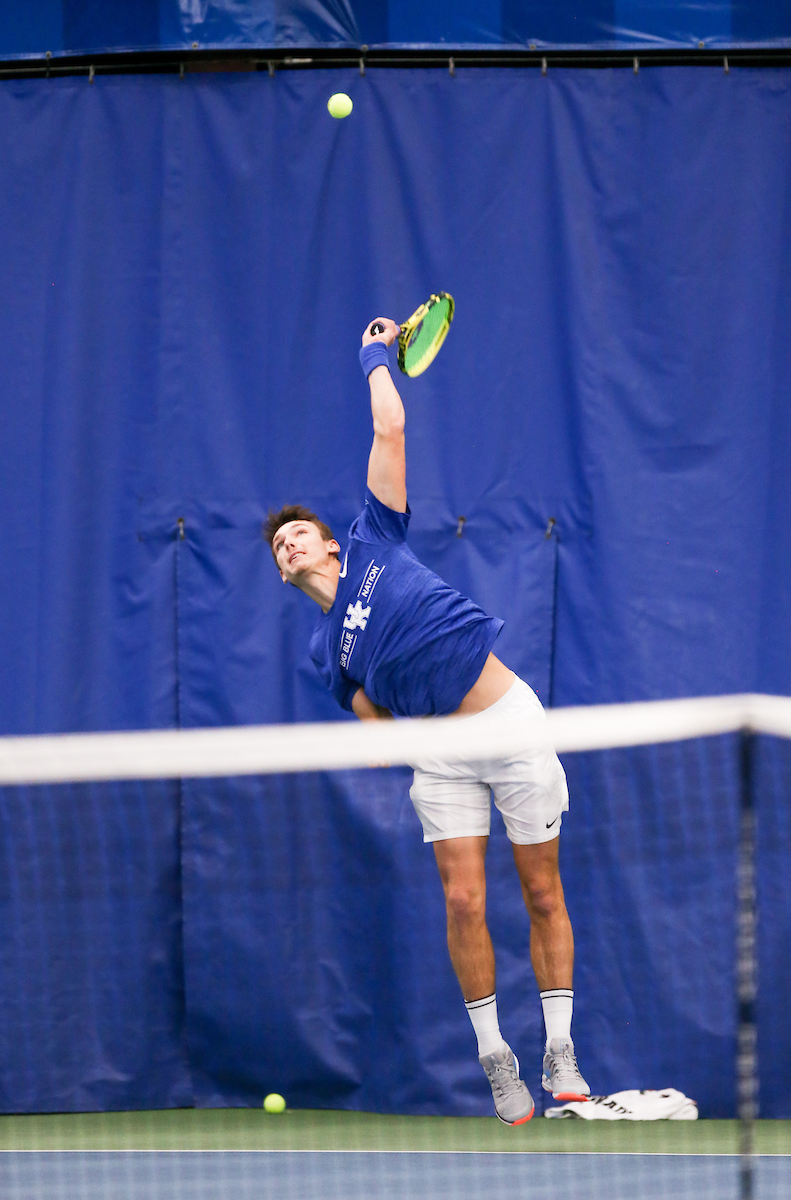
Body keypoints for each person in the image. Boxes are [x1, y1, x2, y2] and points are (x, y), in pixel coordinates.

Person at [263, 317, 589, 1124]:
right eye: (276, 550)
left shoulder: (376, 536)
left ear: (331, 544)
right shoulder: (326, 655)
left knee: (542, 893)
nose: (287, 546)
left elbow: (391, 424)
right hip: (440, 760)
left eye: (296, 534)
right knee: (464, 904)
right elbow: (378, 726)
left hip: (508, 722)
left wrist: (375, 355)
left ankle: (561, 1050)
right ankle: (495, 1058)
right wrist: (389, 746)